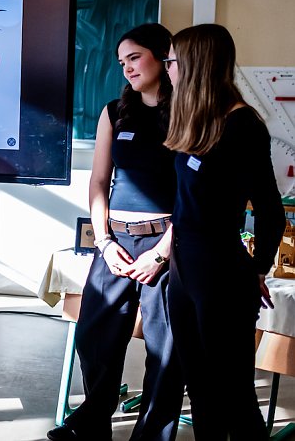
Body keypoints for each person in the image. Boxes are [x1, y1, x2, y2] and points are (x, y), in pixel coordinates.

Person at [49, 23, 184, 441]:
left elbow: (195, 194)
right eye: (121, 61)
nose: (127, 68)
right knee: (94, 337)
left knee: (165, 351)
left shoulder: (188, 110)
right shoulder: (114, 111)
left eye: (135, 57)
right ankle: (93, 423)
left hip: (166, 243)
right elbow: (98, 182)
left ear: (163, 56)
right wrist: (104, 241)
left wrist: (162, 252)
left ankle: (152, 434)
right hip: (115, 241)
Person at [164, 24, 285, 440]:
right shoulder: (198, 119)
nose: (168, 69)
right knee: (199, 388)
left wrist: (258, 269)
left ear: (196, 65)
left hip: (219, 271)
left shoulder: (242, 126)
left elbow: (271, 211)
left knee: (232, 393)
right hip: (184, 270)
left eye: (173, 61)